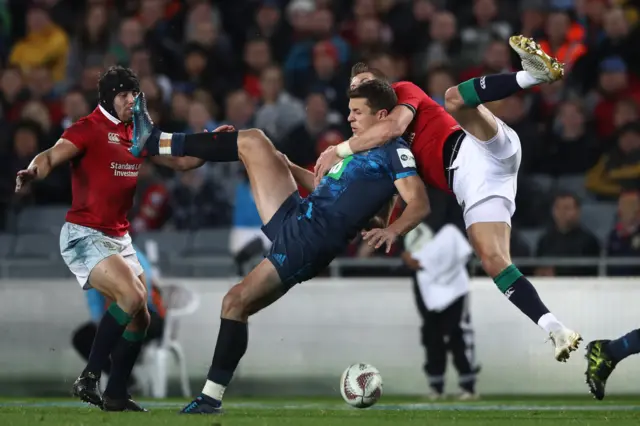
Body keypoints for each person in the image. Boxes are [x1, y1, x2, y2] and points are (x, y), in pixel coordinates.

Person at [130, 79, 430, 414]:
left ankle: (210, 398)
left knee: (235, 303)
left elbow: (417, 203)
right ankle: (158, 143)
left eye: (358, 112)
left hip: (310, 241)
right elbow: (323, 189)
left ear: (383, 115)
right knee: (255, 141)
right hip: (300, 215)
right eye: (349, 111)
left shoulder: (394, 150)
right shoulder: (356, 148)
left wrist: (394, 230)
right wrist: (285, 166)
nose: (350, 119)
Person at [314, 35, 582, 361]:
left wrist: (338, 150)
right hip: (474, 187)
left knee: (452, 98)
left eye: (367, 85)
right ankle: (555, 328)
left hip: (477, 147)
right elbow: (402, 197)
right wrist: (385, 226)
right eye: (355, 91)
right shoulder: (376, 150)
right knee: (494, 261)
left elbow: (393, 128)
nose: (360, 93)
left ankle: (533, 76)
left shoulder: (404, 93)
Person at [14, 66, 219, 411]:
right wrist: (34, 170)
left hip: (118, 237)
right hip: (84, 233)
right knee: (131, 295)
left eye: (134, 95)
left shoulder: (138, 133)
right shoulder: (87, 128)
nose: (131, 101)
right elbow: (51, 155)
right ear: (109, 98)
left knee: (142, 317)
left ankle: (116, 394)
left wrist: (214, 145)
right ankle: (90, 376)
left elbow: (181, 162)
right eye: (124, 95)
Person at [71, 247, 167, 393]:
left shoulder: (134, 255)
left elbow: (142, 294)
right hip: (112, 315)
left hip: (145, 313)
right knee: (82, 338)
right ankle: (125, 380)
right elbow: (95, 304)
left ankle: (119, 380)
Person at [403, 223, 479, 400]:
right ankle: (436, 387)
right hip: (430, 286)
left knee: (456, 336)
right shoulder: (414, 233)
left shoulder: (448, 236)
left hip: (455, 291)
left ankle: (468, 385)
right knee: (432, 336)